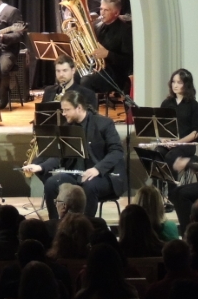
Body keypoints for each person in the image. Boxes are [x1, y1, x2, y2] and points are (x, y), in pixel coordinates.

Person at [22, 90, 126, 219]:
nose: (63, 113)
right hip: (78, 174)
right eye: (63, 110)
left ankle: (85, 224)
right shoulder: (68, 126)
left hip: (105, 175)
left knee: (89, 186)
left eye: (67, 110)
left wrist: (97, 169)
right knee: (51, 183)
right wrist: (40, 166)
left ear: (79, 108)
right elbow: (60, 155)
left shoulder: (104, 123)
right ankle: (55, 223)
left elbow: (117, 151)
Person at [79, 0, 133, 96]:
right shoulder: (97, 25)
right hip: (96, 68)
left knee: (86, 81)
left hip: (114, 74)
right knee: (70, 75)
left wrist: (108, 54)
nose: (102, 13)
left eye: (106, 10)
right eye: (101, 9)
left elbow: (128, 61)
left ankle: (89, 106)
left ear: (116, 13)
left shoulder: (125, 31)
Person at [157, 68, 198, 169]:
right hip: (169, 142)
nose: (175, 85)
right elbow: (160, 125)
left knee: (171, 157)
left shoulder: (194, 105)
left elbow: (196, 132)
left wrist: (177, 142)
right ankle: (159, 180)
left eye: (179, 82)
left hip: (186, 144)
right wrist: (163, 139)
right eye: (173, 82)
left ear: (187, 85)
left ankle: (172, 180)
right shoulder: (166, 103)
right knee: (157, 154)